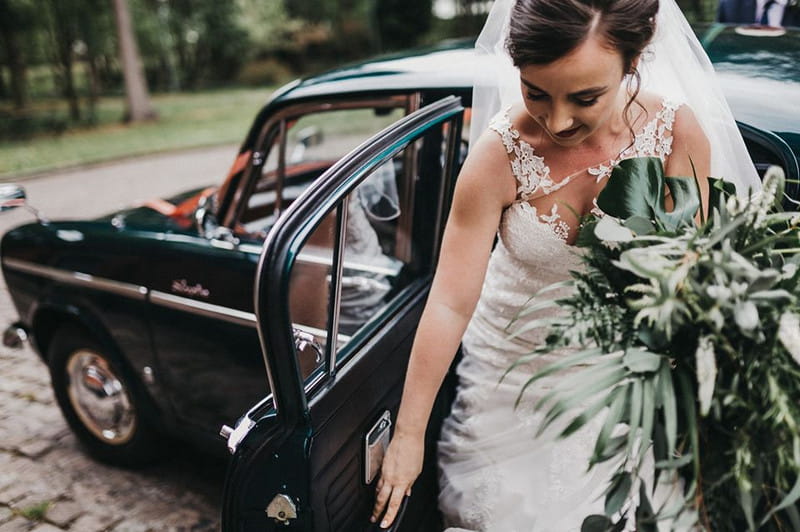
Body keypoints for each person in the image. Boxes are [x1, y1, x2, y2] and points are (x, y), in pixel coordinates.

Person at [371, 0, 761, 530]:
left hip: (625, 385)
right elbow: (448, 301)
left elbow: (684, 277)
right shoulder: (498, 156)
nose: (556, 121)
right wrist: (408, 434)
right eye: (535, 93)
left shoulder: (677, 135)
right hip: (509, 383)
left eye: (585, 97)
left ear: (633, 61)